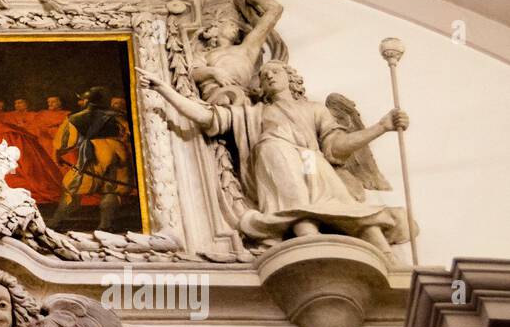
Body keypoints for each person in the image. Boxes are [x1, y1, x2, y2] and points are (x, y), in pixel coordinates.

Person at [138, 61, 407, 253]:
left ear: (290, 77)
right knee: (299, 211)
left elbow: (336, 147)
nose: (268, 76)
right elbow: (205, 115)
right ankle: (308, 246)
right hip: (276, 157)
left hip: (312, 162)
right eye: (264, 75)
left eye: (275, 71)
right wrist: (164, 90)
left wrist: (381, 127)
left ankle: (387, 259)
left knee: (353, 212)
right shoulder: (253, 113)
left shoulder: (314, 110)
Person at [52, 87, 134, 230]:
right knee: (112, 189)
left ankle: (54, 222)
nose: (80, 102)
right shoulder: (119, 115)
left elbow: (64, 143)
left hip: (95, 153)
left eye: (82, 99)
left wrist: (58, 154)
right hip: (118, 152)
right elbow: (128, 134)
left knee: (71, 188)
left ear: (88, 101)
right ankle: (104, 226)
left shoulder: (75, 118)